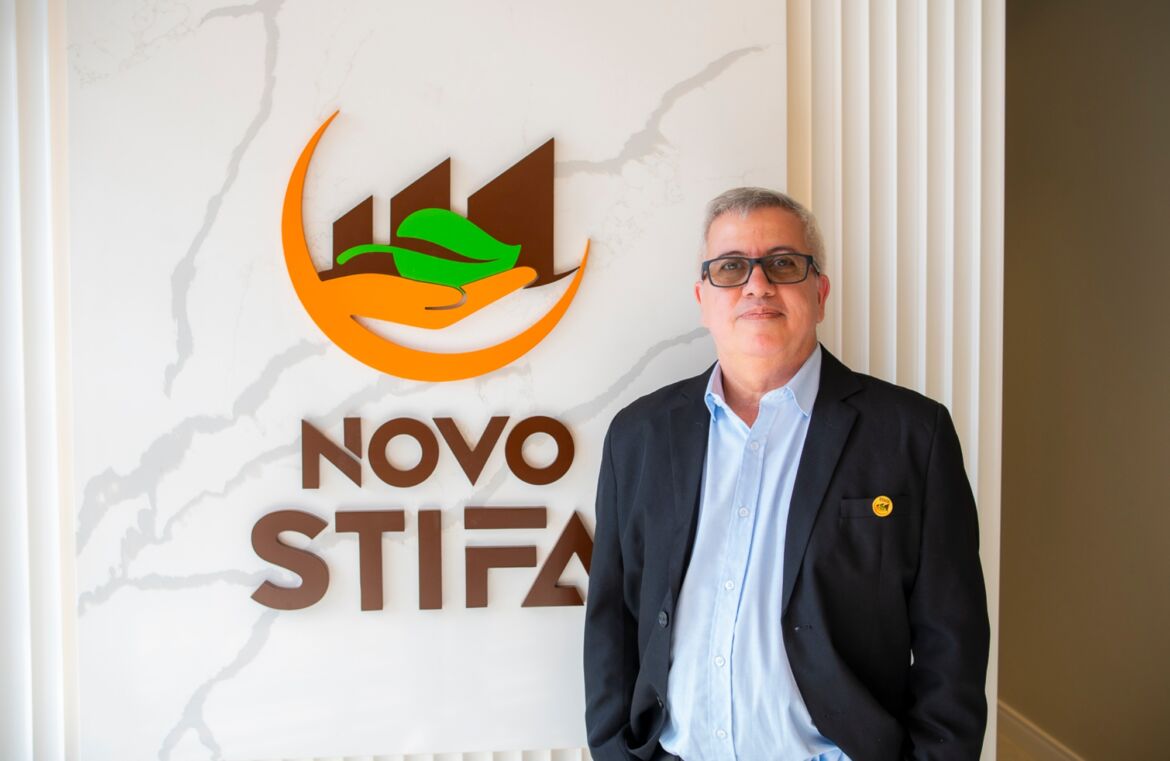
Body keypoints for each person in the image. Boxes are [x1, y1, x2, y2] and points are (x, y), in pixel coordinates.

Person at [583, 187, 989, 761]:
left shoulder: (911, 436)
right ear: (702, 299)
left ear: (819, 293)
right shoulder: (638, 436)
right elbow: (612, 622)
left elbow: (953, 639)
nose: (757, 285)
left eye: (783, 263)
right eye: (731, 268)